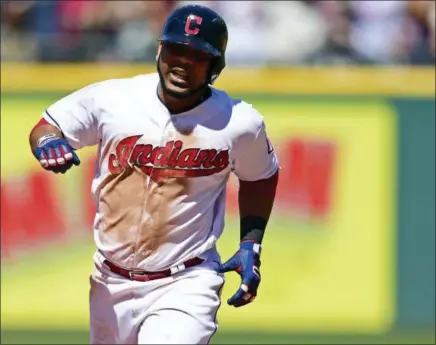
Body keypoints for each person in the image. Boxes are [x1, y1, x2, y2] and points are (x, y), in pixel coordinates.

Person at [28, 4, 279, 344]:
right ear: (160, 49)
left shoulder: (238, 122)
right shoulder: (114, 98)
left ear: (216, 65)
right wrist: (47, 141)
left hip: (186, 279)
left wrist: (251, 244)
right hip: (109, 280)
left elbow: (261, 175)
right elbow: (50, 126)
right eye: (176, 49)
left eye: (198, 55)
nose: (183, 62)